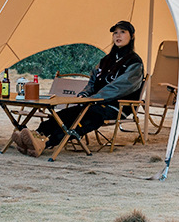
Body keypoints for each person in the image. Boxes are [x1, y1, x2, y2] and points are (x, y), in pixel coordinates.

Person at [13, 20, 144, 158]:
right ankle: (36, 135)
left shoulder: (134, 63)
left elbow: (118, 88)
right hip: (93, 103)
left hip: (115, 106)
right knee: (66, 114)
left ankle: (46, 143)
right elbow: (92, 81)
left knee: (88, 117)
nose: (118, 35)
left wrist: (93, 99)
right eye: (115, 33)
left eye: (122, 32)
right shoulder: (106, 60)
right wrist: (85, 94)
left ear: (132, 36)